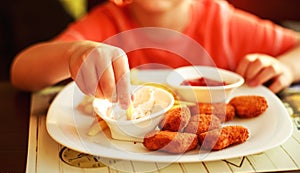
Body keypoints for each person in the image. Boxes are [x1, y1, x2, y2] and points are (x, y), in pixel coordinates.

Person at [10, 0, 300, 110]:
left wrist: (284, 66)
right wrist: (72, 54)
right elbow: (21, 72)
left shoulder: (224, 23)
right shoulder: (106, 22)